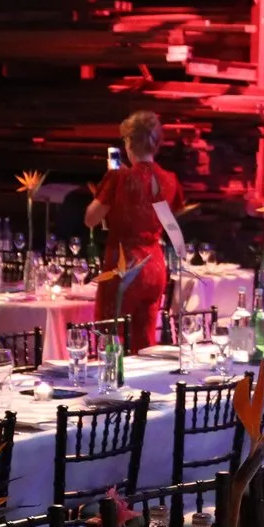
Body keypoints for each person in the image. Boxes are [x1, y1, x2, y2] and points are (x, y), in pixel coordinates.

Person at [85, 111, 181, 349]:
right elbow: (168, 222)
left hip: (124, 265)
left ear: (128, 142)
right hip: (154, 266)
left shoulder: (119, 177)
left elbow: (90, 219)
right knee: (145, 341)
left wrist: (112, 181)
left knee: (111, 338)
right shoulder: (169, 179)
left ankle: (112, 383)